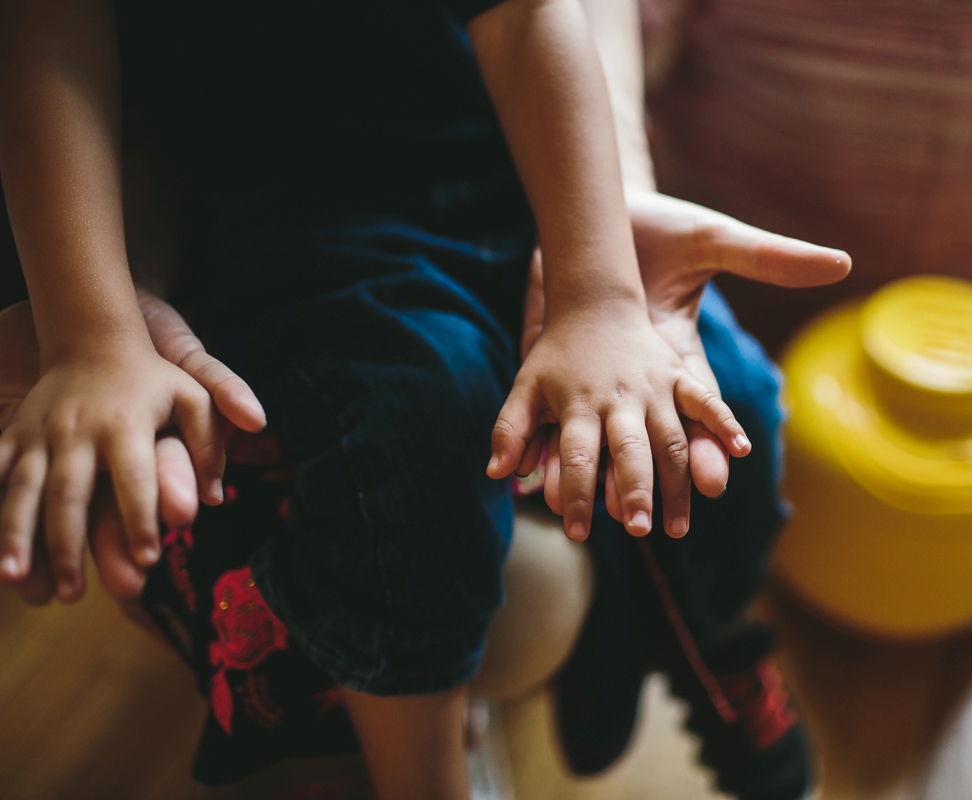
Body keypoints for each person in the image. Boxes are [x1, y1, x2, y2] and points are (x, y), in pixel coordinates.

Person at [0, 0, 850, 797]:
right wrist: (90, 335)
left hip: (520, 161)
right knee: (415, 447)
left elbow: (527, 19)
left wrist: (600, 294)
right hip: (294, 219)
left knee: (727, 395)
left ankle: (717, 646)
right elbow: (46, 39)